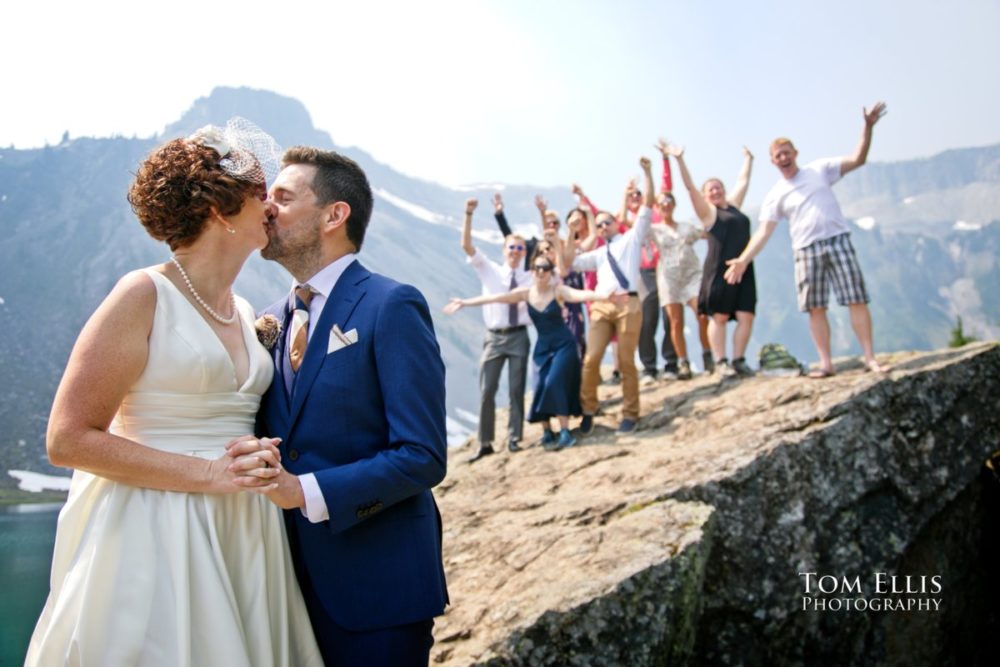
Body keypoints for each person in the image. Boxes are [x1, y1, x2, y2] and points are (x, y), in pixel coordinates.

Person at [26, 119, 323, 666]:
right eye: (260, 194)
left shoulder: (243, 312)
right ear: (218, 211)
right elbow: (66, 439)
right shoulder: (142, 294)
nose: (272, 206)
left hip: (243, 525)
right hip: (155, 522)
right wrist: (210, 474)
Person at [252, 146, 448, 666]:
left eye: (283, 197)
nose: (266, 208)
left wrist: (304, 492)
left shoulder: (391, 304)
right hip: (282, 591)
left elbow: (422, 454)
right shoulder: (268, 319)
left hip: (377, 594)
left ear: (335, 215)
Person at [724, 102, 893, 378]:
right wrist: (743, 260)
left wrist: (867, 127)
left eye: (786, 153)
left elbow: (857, 159)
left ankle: (870, 358)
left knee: (856, 299)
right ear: (772, 161)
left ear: (795, 153)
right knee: (815, 307)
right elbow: (763, 232)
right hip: (804, 250)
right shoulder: (776, 195)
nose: (783, 158)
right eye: (778, 155)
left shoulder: (820, 170)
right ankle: (826, 364)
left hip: (837, 239)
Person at [445, 251, 623, 450]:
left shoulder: (559, 291)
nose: (541, 272)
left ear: (550, 272)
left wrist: (604, 296)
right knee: (539, 386)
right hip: (542, 347)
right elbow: (496, 297)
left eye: (545, 268)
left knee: (555, 381)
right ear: (532, 271)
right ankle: (547, 431)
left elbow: (581, 295)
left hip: (563, 344)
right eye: (537, 268)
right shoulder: (526, 293)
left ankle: (564, 431)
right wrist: (465, 303)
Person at [564, 156, 655, 434]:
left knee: (626, 360)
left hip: (628, 302)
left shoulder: (631, 240)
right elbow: (569, 262)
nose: (603, 227)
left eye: (607, 223)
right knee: (591, 360)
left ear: (616, 223)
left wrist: (647, 173)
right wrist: (570, 233)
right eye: (599, 225)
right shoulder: (598, 254)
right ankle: (588, 409)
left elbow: (647, 206)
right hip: (602, 306)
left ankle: (630, 413)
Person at [669, 143, 756, 378]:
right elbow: (689, 188)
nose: (715, 192)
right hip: (719, 269)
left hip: (744, 267)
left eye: (718, 188)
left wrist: (749, 159)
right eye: (711, 190)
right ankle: (720, 361)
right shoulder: (708, 214)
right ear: (706, 196)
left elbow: (743, 181)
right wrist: (679, 160)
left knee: (746, 315)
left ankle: (738, 359)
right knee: (719, 316)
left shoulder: (734, 207)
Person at [460, 198, 534, 461]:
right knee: (487, 389)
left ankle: (514, 438)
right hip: (494, 337)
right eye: (511, 247)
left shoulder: (531, 277)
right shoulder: (490, 269)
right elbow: (467, 245)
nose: (515, 251)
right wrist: (469, 213)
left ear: (524, 252)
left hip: (518, 336)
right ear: (504, 250)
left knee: (516, 389)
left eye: (520, 248)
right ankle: (485, 442)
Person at [648, 187, 712, 379]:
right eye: (661, 203)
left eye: (668, 201)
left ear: (674, 204)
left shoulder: (686, 226)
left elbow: (707, 232)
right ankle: (683, 361)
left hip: (692, 274)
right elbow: (631, 223)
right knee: (675, 322)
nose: (665, 205)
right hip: (669, 278)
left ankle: (708, 355)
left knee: (702, 314)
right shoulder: (654, 230)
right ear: (657, 208)